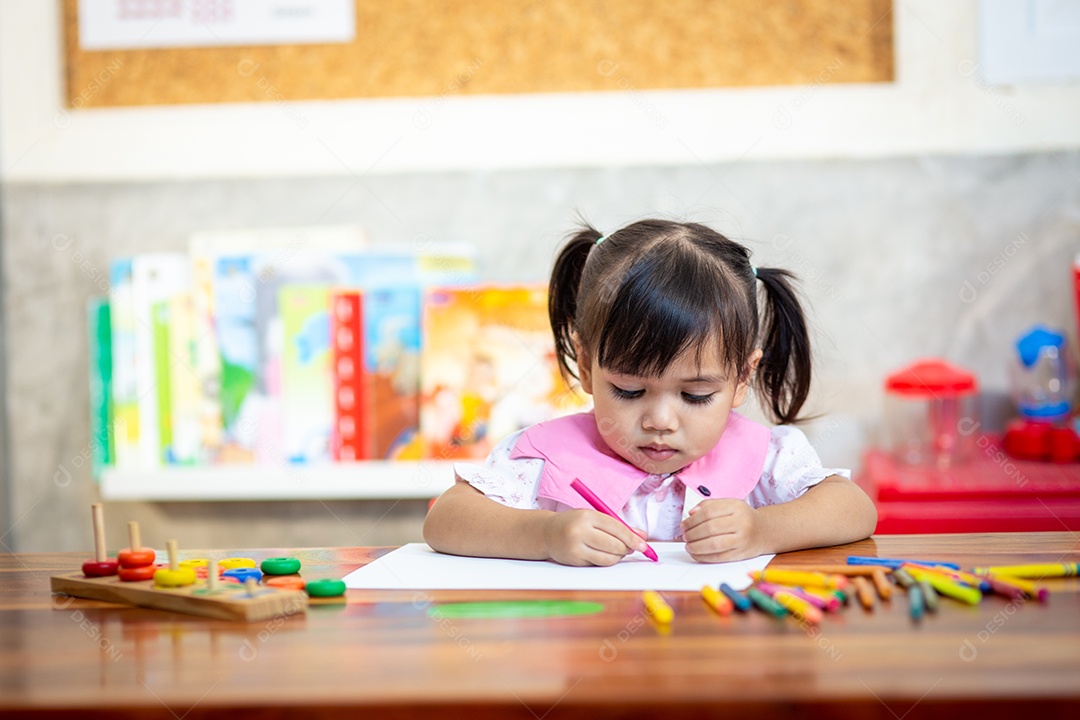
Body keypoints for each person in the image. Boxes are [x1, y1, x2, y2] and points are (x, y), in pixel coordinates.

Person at [423, 219, 877, 566]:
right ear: (585, 365)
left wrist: (763, 529)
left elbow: (855, 510)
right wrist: (544, 534)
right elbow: (446, 520)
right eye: (629, 389)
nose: (660, 420)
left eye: (696, 395)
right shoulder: (543, 459)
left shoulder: (766, 458)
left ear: (742, 377)